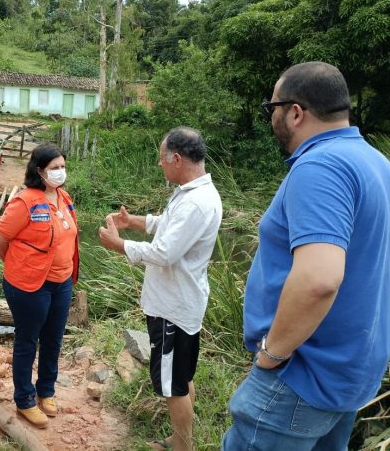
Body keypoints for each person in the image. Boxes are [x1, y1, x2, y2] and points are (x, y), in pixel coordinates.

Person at [222, 62, 390, 450]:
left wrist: (271, 355)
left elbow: (319, 279)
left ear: (295, 111)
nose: (271, 119)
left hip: (301, 376)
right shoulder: (376, 163)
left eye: (272, 109)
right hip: (350, 374)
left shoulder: (321, 166)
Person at [99, 127, 222, 451]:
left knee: (172, 385)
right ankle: (181, 437)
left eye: (161, 159)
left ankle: (182, 446)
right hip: (179, 303)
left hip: (173, 308)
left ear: (177, 159)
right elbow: (165, 224)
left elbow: (165, 252)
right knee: (182, 376)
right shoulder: (190, 192)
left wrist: (120, 244)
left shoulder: (196, 203)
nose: (159, 165)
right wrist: (134, 221)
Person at [0, 144, 80, 429]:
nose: (60, 172)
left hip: (62, 282)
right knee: (28, 340)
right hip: (29, 285)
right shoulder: (24, 201)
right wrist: (18, 266)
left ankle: (46, 391)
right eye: (54, 168)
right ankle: (25, 400)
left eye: (62, 166)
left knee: (53, 339)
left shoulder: (64, 198)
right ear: (39, 171)